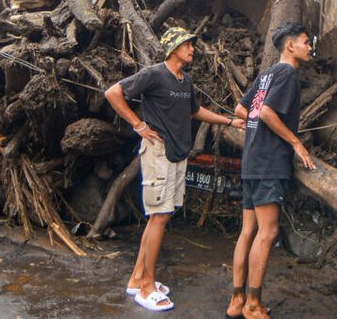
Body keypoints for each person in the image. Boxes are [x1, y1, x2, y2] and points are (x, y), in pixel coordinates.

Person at [104, 26, 246, 312]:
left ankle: (136, 279)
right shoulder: (154, 74)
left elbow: (196, 111)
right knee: (158, 216)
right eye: (187, 45)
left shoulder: (185, 81)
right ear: (173, 48)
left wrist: (230, 122)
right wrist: (138, 125)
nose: (192, 49)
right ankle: (147, 288)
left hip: (177, 153)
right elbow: (113, 93)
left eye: (191, 45)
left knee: (162, 216)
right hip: (158, 152)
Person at [226, 22, 317, 319]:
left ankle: (237, 301)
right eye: (306, 41)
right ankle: (253, 305)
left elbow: (242, 110)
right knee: (268, 232)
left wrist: (253, 124)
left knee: (248, 231)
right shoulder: (288, 74)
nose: (310, 46)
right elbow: (266, 112)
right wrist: (296, 143)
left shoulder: (266, 75)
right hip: (269, 163)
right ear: (290, 46)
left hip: (252, 160)